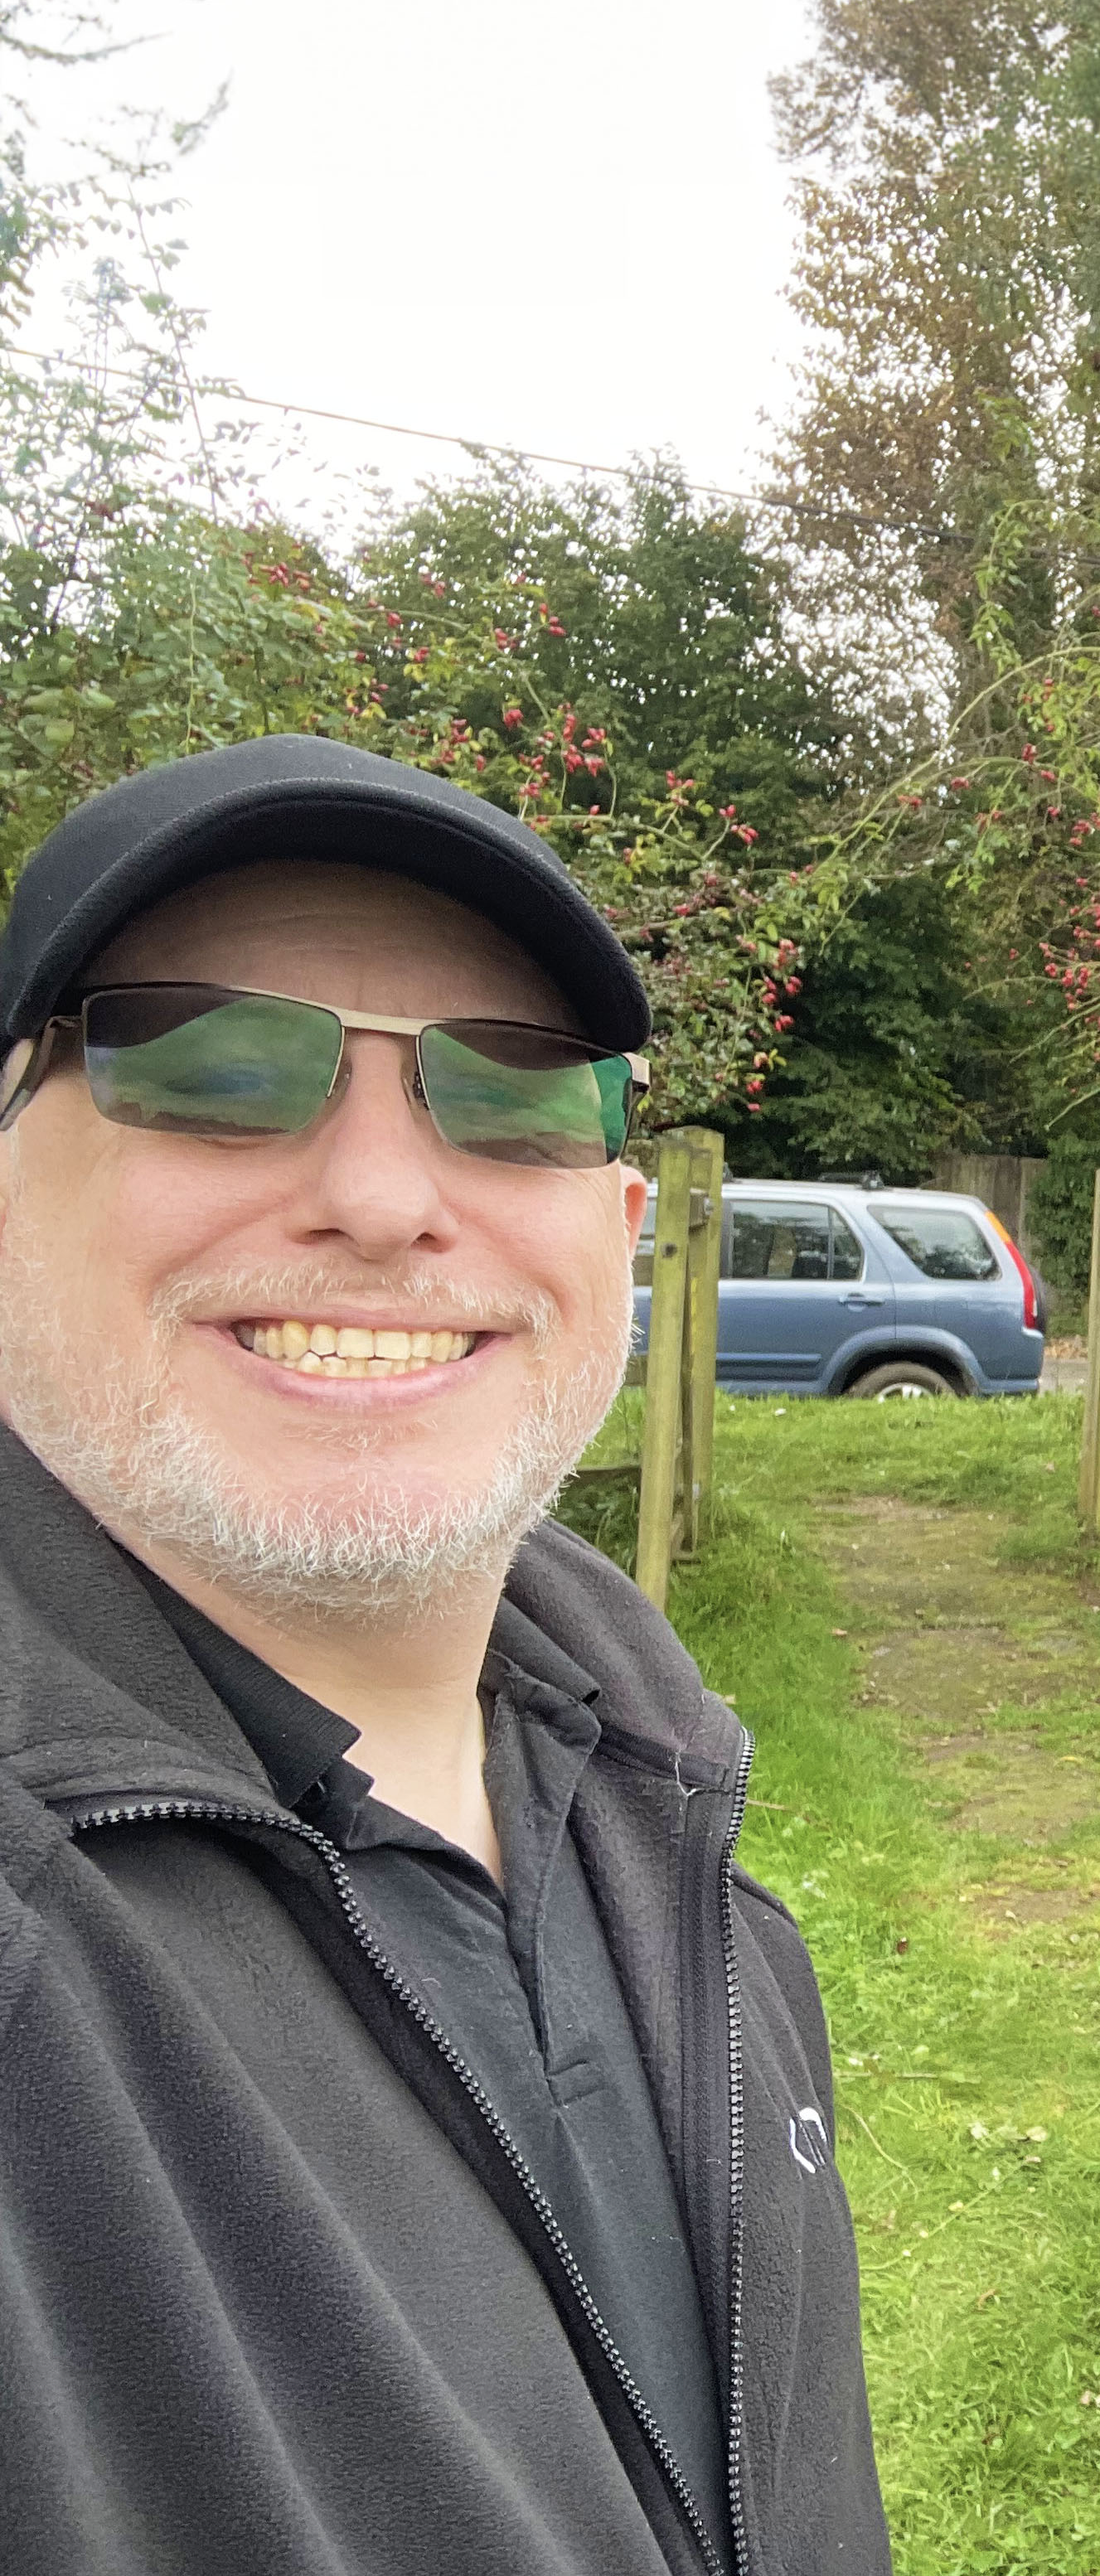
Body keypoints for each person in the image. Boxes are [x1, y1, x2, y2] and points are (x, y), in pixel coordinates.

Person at [0, 736, 890, 2576]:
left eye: (519, 1096)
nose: (391, 1196)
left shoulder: (673, 1828)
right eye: (212, 1061)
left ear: (623, 1235)